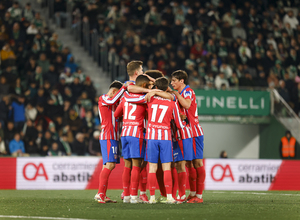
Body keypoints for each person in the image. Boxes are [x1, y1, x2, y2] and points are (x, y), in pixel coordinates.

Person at [125, 77, 185, 204]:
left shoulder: (150, 98)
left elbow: (129, 98)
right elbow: (179, 125)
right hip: (165, 138)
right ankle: (169, 197)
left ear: (156, 88)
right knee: (167, 168)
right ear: (166, 88)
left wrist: (151, 92)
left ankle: (152, 197)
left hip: (151, 137)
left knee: (152, 168)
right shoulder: (172, 102)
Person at [114, 75, 151, 203]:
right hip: (136, 134)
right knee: (136, 165)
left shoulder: (125, 98)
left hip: (124, 133)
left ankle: (127, 196)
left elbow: (116, 114)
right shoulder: (144, 99)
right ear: (145, 86)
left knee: (127, 165)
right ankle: (135, 197)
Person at [171, 70, 205, 204]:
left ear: (181, 81)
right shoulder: (179, 93)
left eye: (174, 80)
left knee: (197, 163)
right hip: (187, 132)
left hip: (195, 131)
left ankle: (199, 196)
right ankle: (192, 193)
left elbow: (187, 104)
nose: (172, 83)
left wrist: (175, 94)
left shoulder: (188, 91)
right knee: (189, 162)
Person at [94, 80, 127, 204]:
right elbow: (112, 100)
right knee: (110, 165)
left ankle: (101, 193)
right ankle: (100, 194)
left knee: (106, 165)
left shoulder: (114, 103)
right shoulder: (103, 98)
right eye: (118, 93)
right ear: (114, 91)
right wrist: (124, 87)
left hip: (113, 137)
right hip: (108, 136)